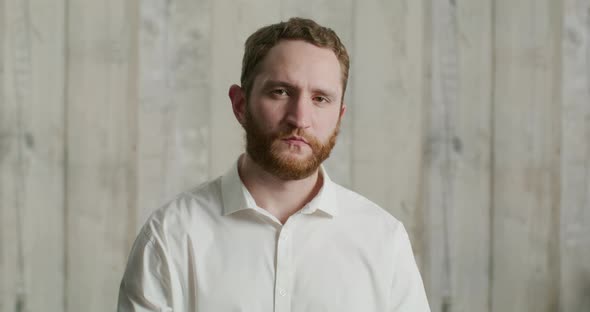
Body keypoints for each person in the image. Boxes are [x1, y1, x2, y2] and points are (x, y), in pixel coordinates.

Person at [117, 17, 431, 312]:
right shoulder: (171, 236)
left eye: (320, 99)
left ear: (339, 116)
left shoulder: (384, 241)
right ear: (240, 104)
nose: (300, 118)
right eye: (280, 92)